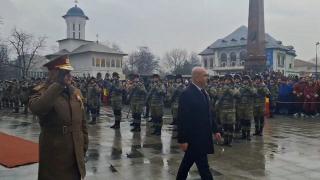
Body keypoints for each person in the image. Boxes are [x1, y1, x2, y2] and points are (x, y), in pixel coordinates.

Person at [29, 55, 88, 180]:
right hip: (55, 153)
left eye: (69, 72)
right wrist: (57, 85)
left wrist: (84, 146)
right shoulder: (42, 91)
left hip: (75, 152)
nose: (68, 75)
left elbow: (82, 123)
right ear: (52, 73)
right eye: (63, 72)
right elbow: (37, 108)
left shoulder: (75, 92)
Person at [177, 67, 221, 180]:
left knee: (187, 164)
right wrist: (182, 140)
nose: (208, 78)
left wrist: (215, 130)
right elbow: (182, 118)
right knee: (203, 167)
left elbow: (209, 113)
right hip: (193, 138)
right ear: (197, 78)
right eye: (205, 75)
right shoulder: (187, 93)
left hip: (202, 136)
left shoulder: (203, 92)